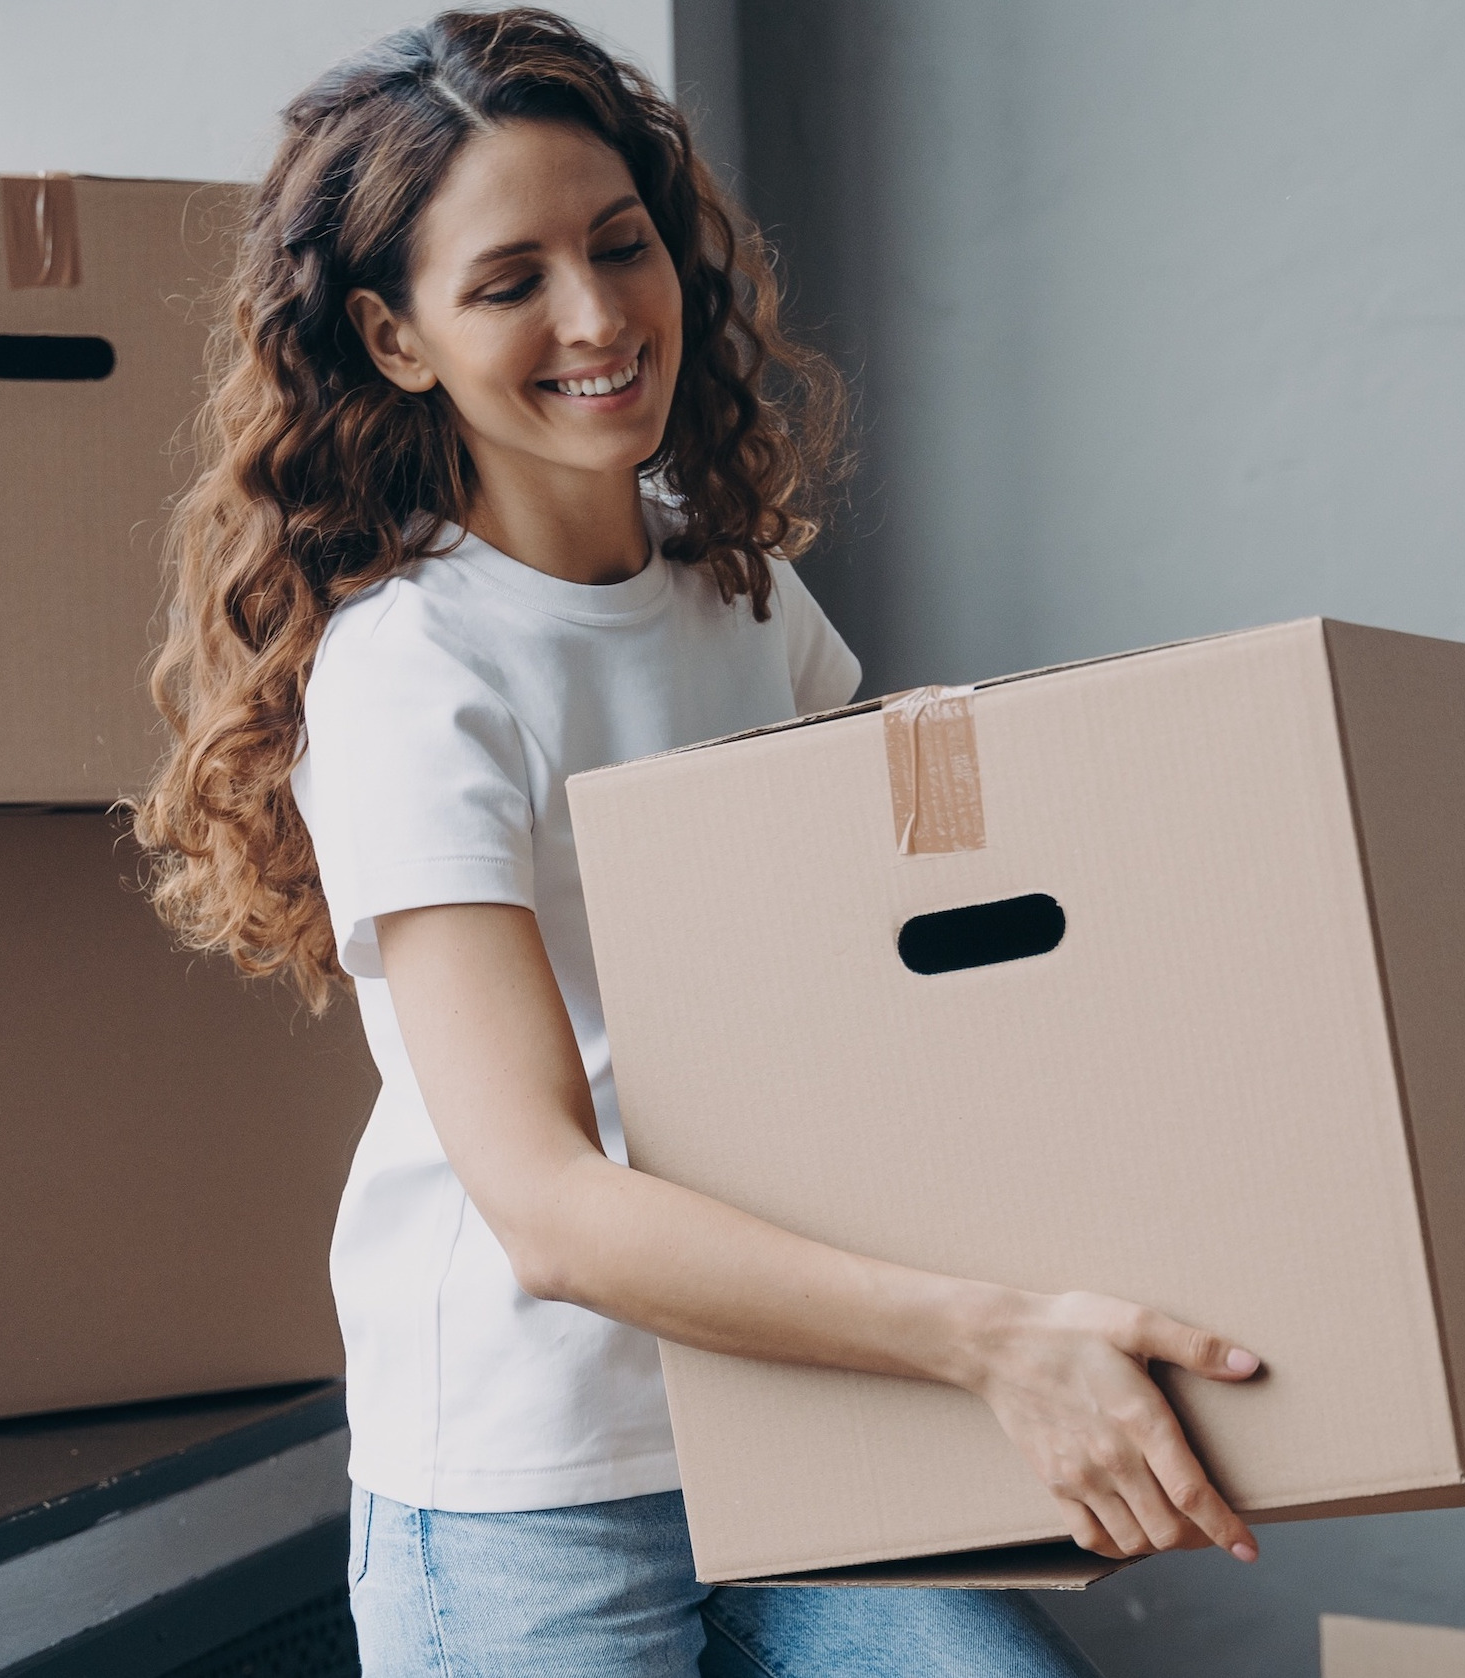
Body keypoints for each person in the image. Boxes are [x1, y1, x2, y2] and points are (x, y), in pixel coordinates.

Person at [134, 11, 1263, 1673]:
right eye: (510, 279)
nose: (597, 315)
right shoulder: (411, 674)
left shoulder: (739, 597)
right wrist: (991, 1339)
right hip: (536, 1478)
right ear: (393, 335)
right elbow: (549, 1209)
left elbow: (883, 994)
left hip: (798, 1403)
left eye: (620, 244)